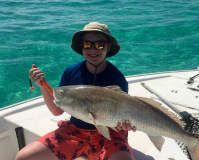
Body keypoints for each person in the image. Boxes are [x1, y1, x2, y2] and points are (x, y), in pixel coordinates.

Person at [16, 22, 136, 160]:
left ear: (108, 47)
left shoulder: (117, 78)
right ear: (82, 46)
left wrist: (126, 125)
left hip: (109, 133)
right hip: (74, 132)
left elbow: (123, 115)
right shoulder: (70, 72)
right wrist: (42, 85)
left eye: (99, 44)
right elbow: (57, 111)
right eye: (87, 44)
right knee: (23, 157)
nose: (93, 49)